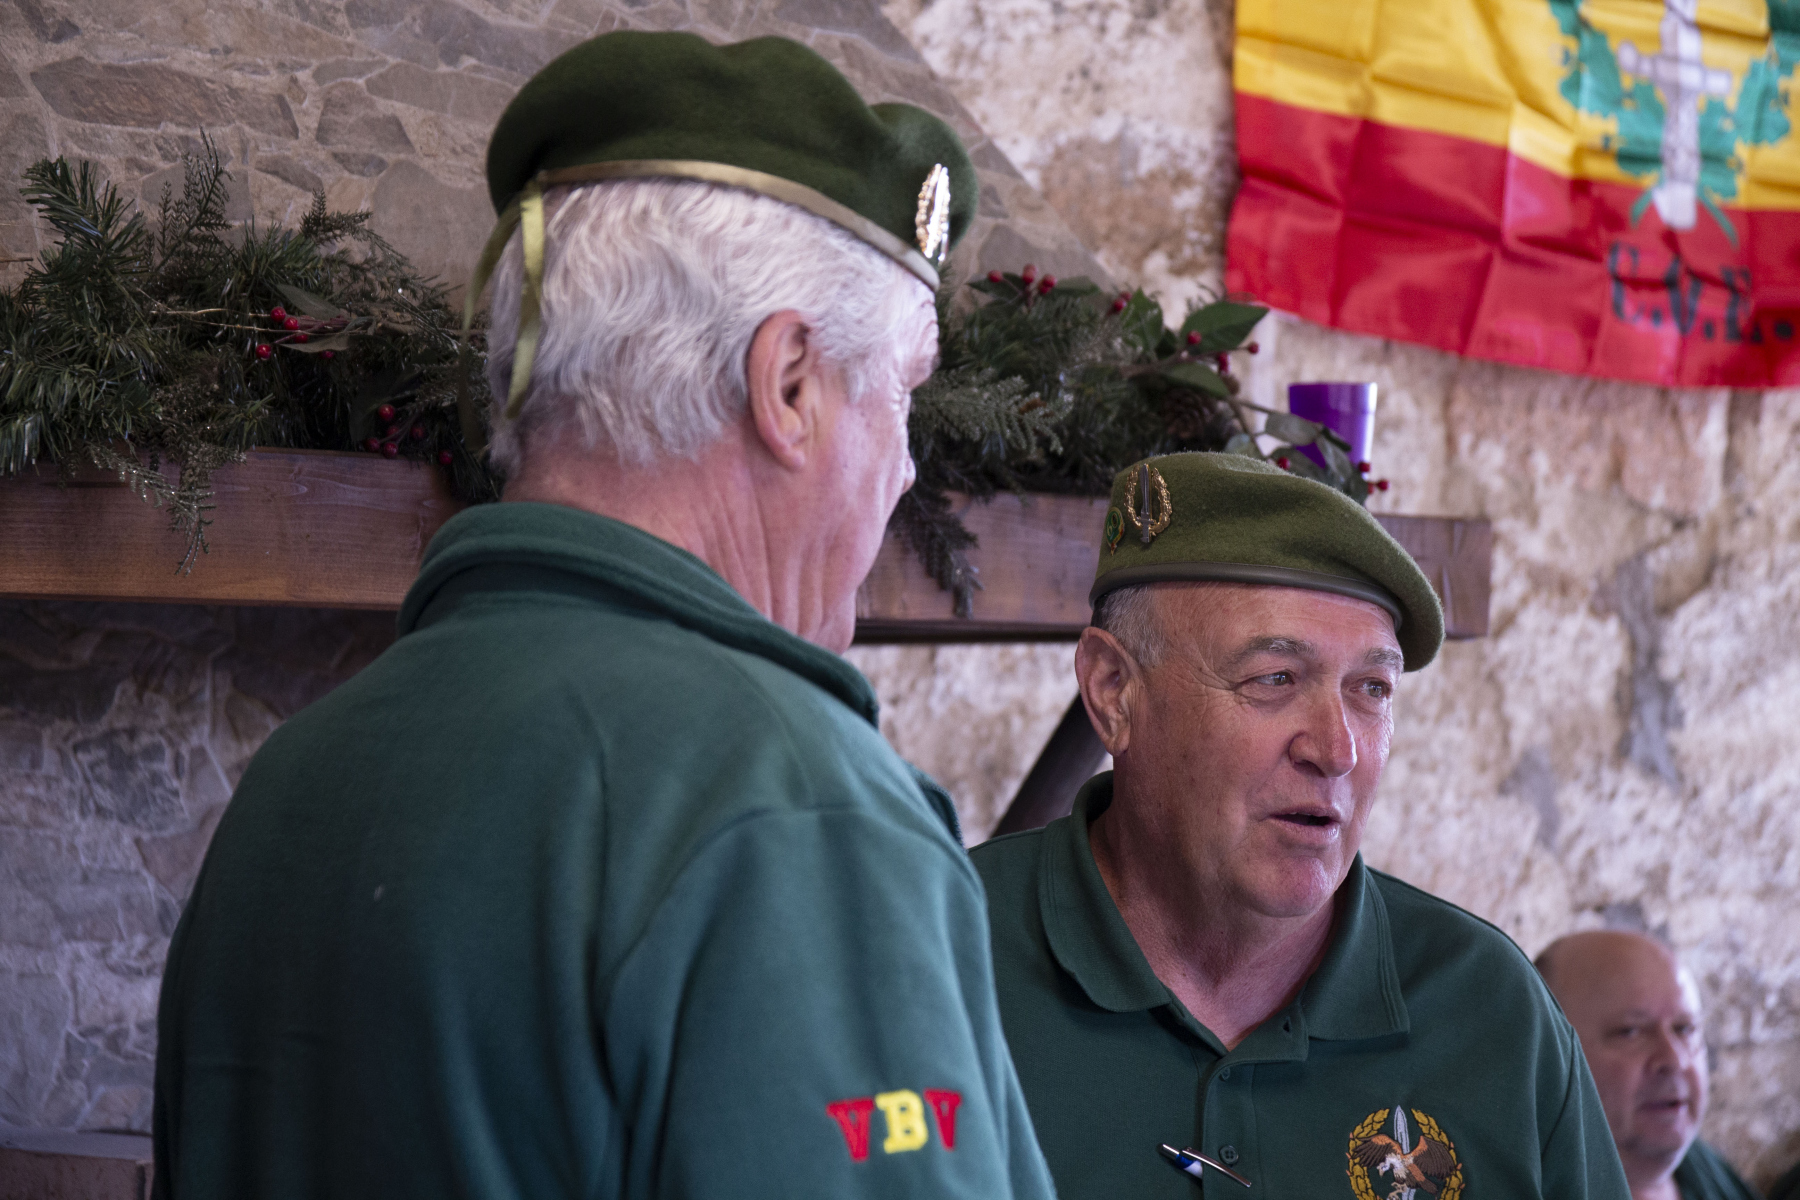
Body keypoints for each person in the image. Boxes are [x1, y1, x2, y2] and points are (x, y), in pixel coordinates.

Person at [152, 31, 1055, 1200]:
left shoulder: (294, 781)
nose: (904, 470)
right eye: (900, 398)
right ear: (788, 383)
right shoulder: (790, 808)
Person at [971, 451, 1634, 1200]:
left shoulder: (1491, 1014)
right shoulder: (940, 958)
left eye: (1371, 689)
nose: (1336, 749)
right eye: (1275, 679)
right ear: (1114, 691)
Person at [1537, 931, 1761, 1200]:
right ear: (1549, 1055)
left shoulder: (1707, 1171)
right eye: (1630, 1032)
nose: (1675, 1060)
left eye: (1684, 1029)